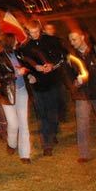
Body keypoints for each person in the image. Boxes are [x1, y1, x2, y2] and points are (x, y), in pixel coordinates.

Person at [20, 19, 67, 156]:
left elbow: (61, 57)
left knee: (53, 112)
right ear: (28, 32)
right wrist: (31, 74)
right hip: (38, 85)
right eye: (31, 32)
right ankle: (47, 144)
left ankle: (53, 132)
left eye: (36, 32)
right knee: (42, 114)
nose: (34, 34)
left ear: (40, 29)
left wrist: (52, 65)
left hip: (53, 82)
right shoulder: (25, 47)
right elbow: (24, 65)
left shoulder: (51, 41)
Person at [67, 30, 96, 163]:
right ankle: (84, 154)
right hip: (83, 95)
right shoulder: (71, 57)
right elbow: (68, 76)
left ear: (82, 37)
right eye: (70, 40)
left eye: (74, 39)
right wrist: (76, 83)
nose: (72, 42)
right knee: (82, 124)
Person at [0, 34, 32, 163]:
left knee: (24, 124)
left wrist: (28, 75)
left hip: (22, 91)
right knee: (13, 124)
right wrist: (16, 74)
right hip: (7, 93)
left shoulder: (17, 53)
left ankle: (25, 154)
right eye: (15, 41)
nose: (17, 42)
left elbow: (25, 66)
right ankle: (11, 144)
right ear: (9, 42)